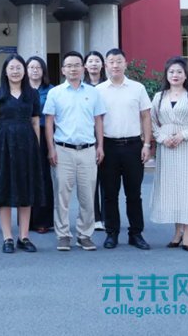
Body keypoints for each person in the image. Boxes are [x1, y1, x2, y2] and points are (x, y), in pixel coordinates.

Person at [43, 51, 106, 252]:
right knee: (62, 196)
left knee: (87, 196)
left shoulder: (93, 93)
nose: (73, 69)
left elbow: (98, 120)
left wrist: (100, 146)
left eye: (77, 65)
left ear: (83, 68)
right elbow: (49, 122)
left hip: (88, 150)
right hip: (63, 150)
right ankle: (63, 235)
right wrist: (51, 148)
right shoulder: (55, 93)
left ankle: (84, 235)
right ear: (63, 70)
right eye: (69, 66)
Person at [96, 48, 153, 251]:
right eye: (111, 62)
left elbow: (146, 117)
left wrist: (147, 144)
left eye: (119, 61)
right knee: (109, 194)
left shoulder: (137, 88)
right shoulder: (98, 91)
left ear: (125, 64)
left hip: (133, 146)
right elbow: (97, 120)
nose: (115, 65)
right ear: (106, 66)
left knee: (134, 193)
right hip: (108, 146)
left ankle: (135, 233)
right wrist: (99, 146)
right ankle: (111, 233)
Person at [0, 55, 44, 253]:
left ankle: (24, 237)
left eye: (19, 67)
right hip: (4, 144)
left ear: (24, 71)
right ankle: (7, 238)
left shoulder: (32, 94)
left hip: (27, 144)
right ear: (5, 71)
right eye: (11, 68)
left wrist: (37, 148)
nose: (15, 71)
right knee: (4, 189)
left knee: (26, 189)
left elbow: (35, 122)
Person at [150, 56, 188, 252]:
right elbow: (151, 122)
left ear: (185, 75)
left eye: (179, 72)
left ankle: (187, 233)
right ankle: (177, 232)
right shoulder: (159, 97)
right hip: (167, 148)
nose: (175, 75)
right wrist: (162, 138)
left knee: (187, 188)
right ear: (166, 75)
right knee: (172, 189)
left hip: (187, 147)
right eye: (171, 71)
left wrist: (183, 135)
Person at [26, 56, 55, 234]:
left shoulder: (51, 91)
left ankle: (43, 220)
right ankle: (27, 220)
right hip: (24, 135)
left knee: (43, 177)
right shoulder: (21, 89)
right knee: (26, 177)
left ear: (43, 71)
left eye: (38, 67)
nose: (35, 70)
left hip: (45, 135)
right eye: (31, 67)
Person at [84, 50, 107, 231]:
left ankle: (107, 217)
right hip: (88, 139)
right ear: (85, 65)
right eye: (90, 61)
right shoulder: (81, 87)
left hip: (108, 137)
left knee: (107, 180)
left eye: (96, 61)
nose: (93, 64)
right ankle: (95, 217)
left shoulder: (108, 86)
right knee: (91, 181)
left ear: (102, 65)